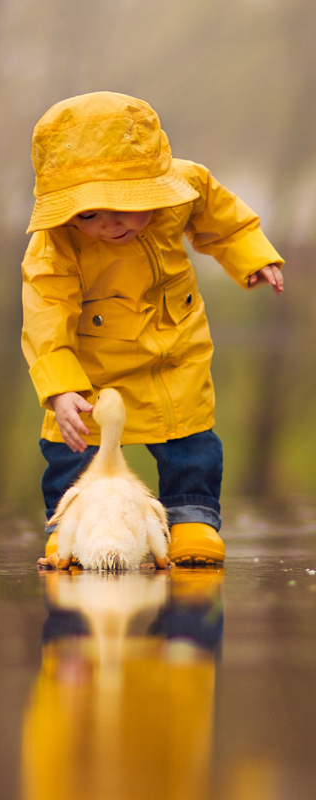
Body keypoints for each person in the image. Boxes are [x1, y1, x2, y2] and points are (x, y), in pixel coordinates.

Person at [21, 91, 283, 565]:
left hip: (174, 355)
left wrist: (254, 257)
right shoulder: (54, 246)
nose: (110, 224)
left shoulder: (185, 186)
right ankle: (70, 528)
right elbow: (45, 315)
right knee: (72, 449)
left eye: (124, 206)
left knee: (192, 444)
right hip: (93, 367)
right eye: (89, 214)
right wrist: (60, 389)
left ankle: (192, 521)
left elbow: (224, 220)